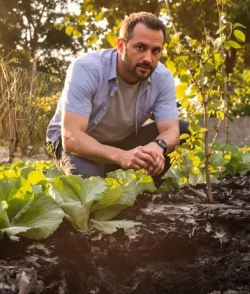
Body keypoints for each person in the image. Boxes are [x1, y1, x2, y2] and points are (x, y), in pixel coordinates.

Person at [46, 12, 189, 187]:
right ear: (121, 45)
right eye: (140, 47)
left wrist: (158, 146)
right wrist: (122, 156)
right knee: (89, 185)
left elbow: (171, 129)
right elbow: (71, 136)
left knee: (184, 130)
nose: (148, 58)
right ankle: (103, 170)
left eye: (156, 50)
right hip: (79, 142)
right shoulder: (87, 68)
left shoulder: (163, 77)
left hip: (122, 141)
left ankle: (137, 185)